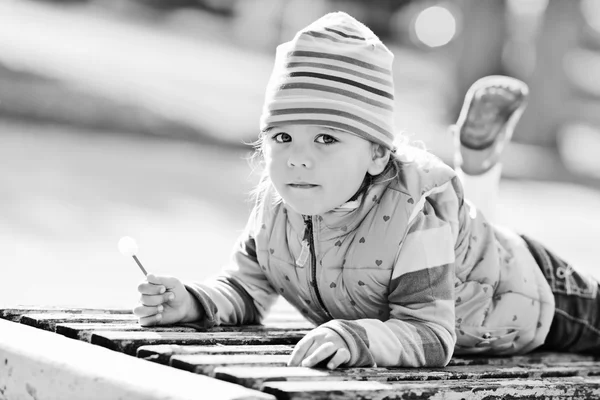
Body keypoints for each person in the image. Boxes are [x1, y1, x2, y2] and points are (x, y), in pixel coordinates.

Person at [133, 12, 600, 369]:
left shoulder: (411, 216)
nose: (298, 157)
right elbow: (245, 290)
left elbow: (431, 335)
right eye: (282, 137)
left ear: (378, 155)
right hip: (469, 282)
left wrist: (357, 339)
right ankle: (478, 170)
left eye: (327, 139)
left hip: (538, 295)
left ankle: (477, 170)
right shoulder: (278, 208)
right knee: (472, 236)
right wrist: (193, 300)